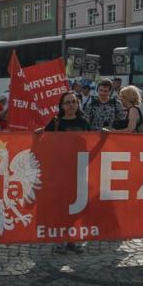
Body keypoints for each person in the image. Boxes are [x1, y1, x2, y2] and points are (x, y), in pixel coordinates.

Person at [39, 91, 90, 253]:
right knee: (60, 206)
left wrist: (104, 136)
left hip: (78, 171)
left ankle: (72, 239)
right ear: (61, 106)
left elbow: (91, 142)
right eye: (68, 102)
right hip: (59, 172)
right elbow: (43, 140)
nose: (71, 105)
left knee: (75, 207)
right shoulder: (55, 122)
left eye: (74, 102)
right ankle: (59, 240)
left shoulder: (84, 122)